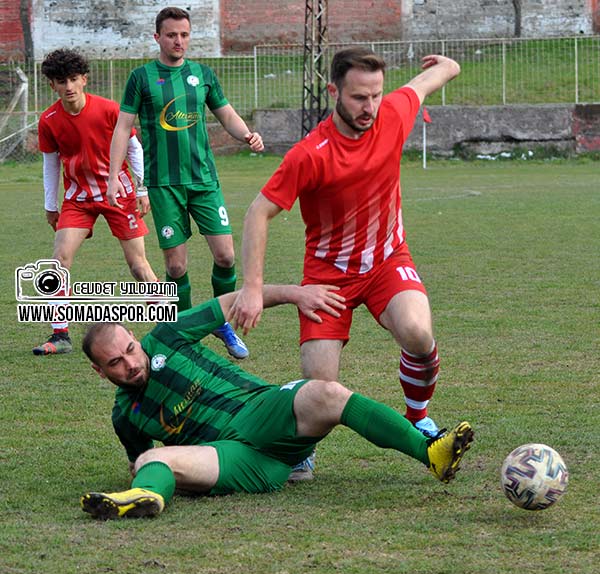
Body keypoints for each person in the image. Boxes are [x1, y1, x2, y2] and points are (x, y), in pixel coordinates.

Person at [231, 47, 461, 478]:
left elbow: (424, 84)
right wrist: (253, 286)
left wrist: (447, 66)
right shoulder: (310, 153)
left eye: (375, 95)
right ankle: (298, 449)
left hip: (386, 262)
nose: (369, 107)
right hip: (327, 279)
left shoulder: (392, 113)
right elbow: (258, 212)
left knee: (417, 330)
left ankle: (418, 416)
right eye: (358, 97)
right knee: (321, 388)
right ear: (334, 90)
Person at [79, 284, 474, 519]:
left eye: (130, 349)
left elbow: (235, 300)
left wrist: (295, 294)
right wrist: (150, 472)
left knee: (326, 391)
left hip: (262, 412)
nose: (130, 363)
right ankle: (144, 502)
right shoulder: (124, 416)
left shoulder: (167, 337)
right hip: (234, 458)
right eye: (115, 362)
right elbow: (138, 459)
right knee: (150, 463)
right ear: (100, 372)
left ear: (135, 336)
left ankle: (431, 454)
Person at [107, 6, 264, 360]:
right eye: (172, 35)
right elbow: (122, 128)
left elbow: (225, 113)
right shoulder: (141, 77)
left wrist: (247, 135)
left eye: (184, 34)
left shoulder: (203, 74)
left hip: (204, 181)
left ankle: (219, 320)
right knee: (176, 267)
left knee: (225, 257)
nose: (179, 41)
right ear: (157, 37)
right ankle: (187, 331)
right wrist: (113, 175)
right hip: (164, 185)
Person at [34, 48, 158, 356]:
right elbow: (51, 164)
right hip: (78, 198)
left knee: (138, 265)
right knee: (59, 261)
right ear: (53, 85)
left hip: (118, 192)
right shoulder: (48, 120)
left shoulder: (110, 110)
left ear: (84, 79)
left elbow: (135, 150)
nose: (69, 87)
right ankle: (60, 335)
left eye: (74, 79)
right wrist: (51, 205)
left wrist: (141, 189)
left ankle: (167, 330)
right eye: (61, 81)